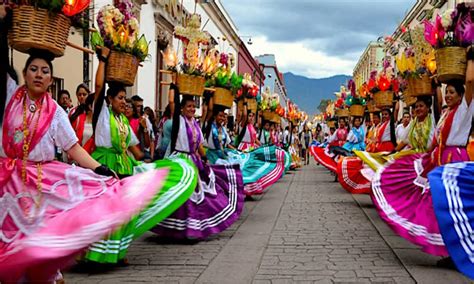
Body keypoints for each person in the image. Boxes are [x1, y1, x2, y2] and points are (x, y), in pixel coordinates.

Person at [0, 16, 169, 280]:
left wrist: (100, 169)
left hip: (41, 184)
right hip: (7, 181)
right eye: (33, 69)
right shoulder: (11, 96)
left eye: (45, 71)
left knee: (39, 242)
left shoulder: (55, 112)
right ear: (24, 73)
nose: (39, 75)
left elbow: (73, 148)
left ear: (50, 78)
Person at [83, 47, 197, 265]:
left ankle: (118, 253)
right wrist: (103, 60)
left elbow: (135, 149)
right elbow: (98, 87)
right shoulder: (102, 114)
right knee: (103, 211)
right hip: (103, 164)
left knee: (124, 212)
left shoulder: (123, 121)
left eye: (124, 98)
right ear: (109, 99)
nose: (123, 102)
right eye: (119, 98)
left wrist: (154, 164)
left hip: (124, 166)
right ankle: (94, 254)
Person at [371, 46, 474, 261]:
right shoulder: (446, 113)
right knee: (436, 205)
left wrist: (471, 58)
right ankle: (447, 249)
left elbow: (471, 82)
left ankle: (456, 250)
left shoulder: (466, 109)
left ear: (463, 95)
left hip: (453, 160)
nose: (448, 95)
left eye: (452, 92)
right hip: (438, 159)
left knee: (452, 208)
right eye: (447, 92)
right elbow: (436, 108)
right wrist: (436, 83)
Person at [152, 91, 244, 239]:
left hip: (193, 160)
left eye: (194, 107)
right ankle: (177, 228)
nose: (192, 109)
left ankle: (193, 227)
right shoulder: (178, 121)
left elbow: (199, 144)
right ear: (181, 108)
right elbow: (171, 102)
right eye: (188, 106)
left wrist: (205, 158)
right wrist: (174, 86)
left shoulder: (194, 123)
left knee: (200, 192)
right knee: (182, 192)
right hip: (180, 158)